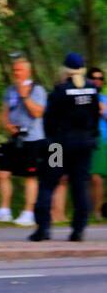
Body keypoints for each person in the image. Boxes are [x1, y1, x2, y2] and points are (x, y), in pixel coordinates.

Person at [31, 53, 100, 242]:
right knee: (79, 187)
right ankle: (78, 230)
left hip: (58, 146)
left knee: (47, 184)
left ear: (65, 70)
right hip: (84, 145)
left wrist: (50, 140)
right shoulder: (92, 90)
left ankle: (43, 229)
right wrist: (91, 136)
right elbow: (95, 117)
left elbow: (49, 120)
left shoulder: (60, 91)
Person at [0, 57, 46, 226]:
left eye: (19, 70)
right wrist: (8, 125)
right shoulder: (10, 90)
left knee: (30, 176)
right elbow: (5, 111)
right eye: (14, 70)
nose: (16, 73)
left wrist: (25, 96)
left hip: (32, 139)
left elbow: (38, 113)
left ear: (27, 71)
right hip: (14, 138)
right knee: (3, 173)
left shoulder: (37, 90)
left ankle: (28, 212)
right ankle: (4, 210)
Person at [90, 67, 107, 219]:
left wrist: (103, 111)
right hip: (83, 139)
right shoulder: (83, 96)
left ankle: (97, 212)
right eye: (94, 77)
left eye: (100, 78)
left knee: (96, 177)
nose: (97, 80)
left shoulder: (104, 99)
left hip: (101, 139)